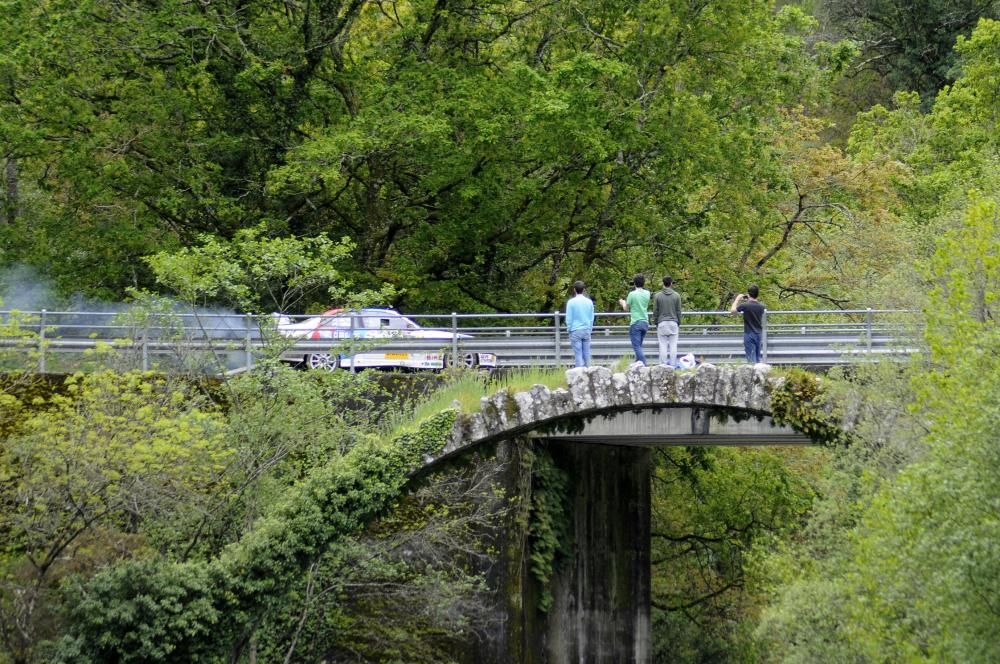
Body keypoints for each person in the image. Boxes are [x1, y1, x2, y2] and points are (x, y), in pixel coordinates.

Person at [619, 273, 650, 365]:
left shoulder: (632, 294)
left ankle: (644, 364)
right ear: (643, 283)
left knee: (636, 346)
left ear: (634, 283)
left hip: (635, 322)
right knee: (639, 345)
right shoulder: (647, 293)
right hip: (645, 322)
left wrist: (622, 302)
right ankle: (638, 364)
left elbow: (626, 308)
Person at [730, 284, 766, 363]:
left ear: (748, 294)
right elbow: (753, 306)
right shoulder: (762, 307)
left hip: (749, 334)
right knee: (757, 358)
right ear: (757, 294)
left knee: (751, 359)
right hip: (759, 334)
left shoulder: (745, 305)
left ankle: (752, 374)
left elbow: (732, 311)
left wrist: (737, 299)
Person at [652, 275, 682, 367]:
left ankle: (663, 366)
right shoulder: (677, 296)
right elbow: (678, 311)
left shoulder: (657, 296)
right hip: (673, 323)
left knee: (663, 345)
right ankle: (672, 366)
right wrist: (678, 322)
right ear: (671, 283)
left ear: (663, 283)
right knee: (673, 346)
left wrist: (656, 322)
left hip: (662, 323)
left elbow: (655, 311)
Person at [566, 280, 595, 367]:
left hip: (575, 330)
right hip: (586, 329)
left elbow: (569, 318)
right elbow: (591, 317)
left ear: (574, 290)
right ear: (584, 290)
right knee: (587, 354)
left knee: (578, 354)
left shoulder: (571, 302)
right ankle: (588, 372)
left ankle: (579, 374)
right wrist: (590, 328)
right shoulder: (589, 302)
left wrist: (569, 329)